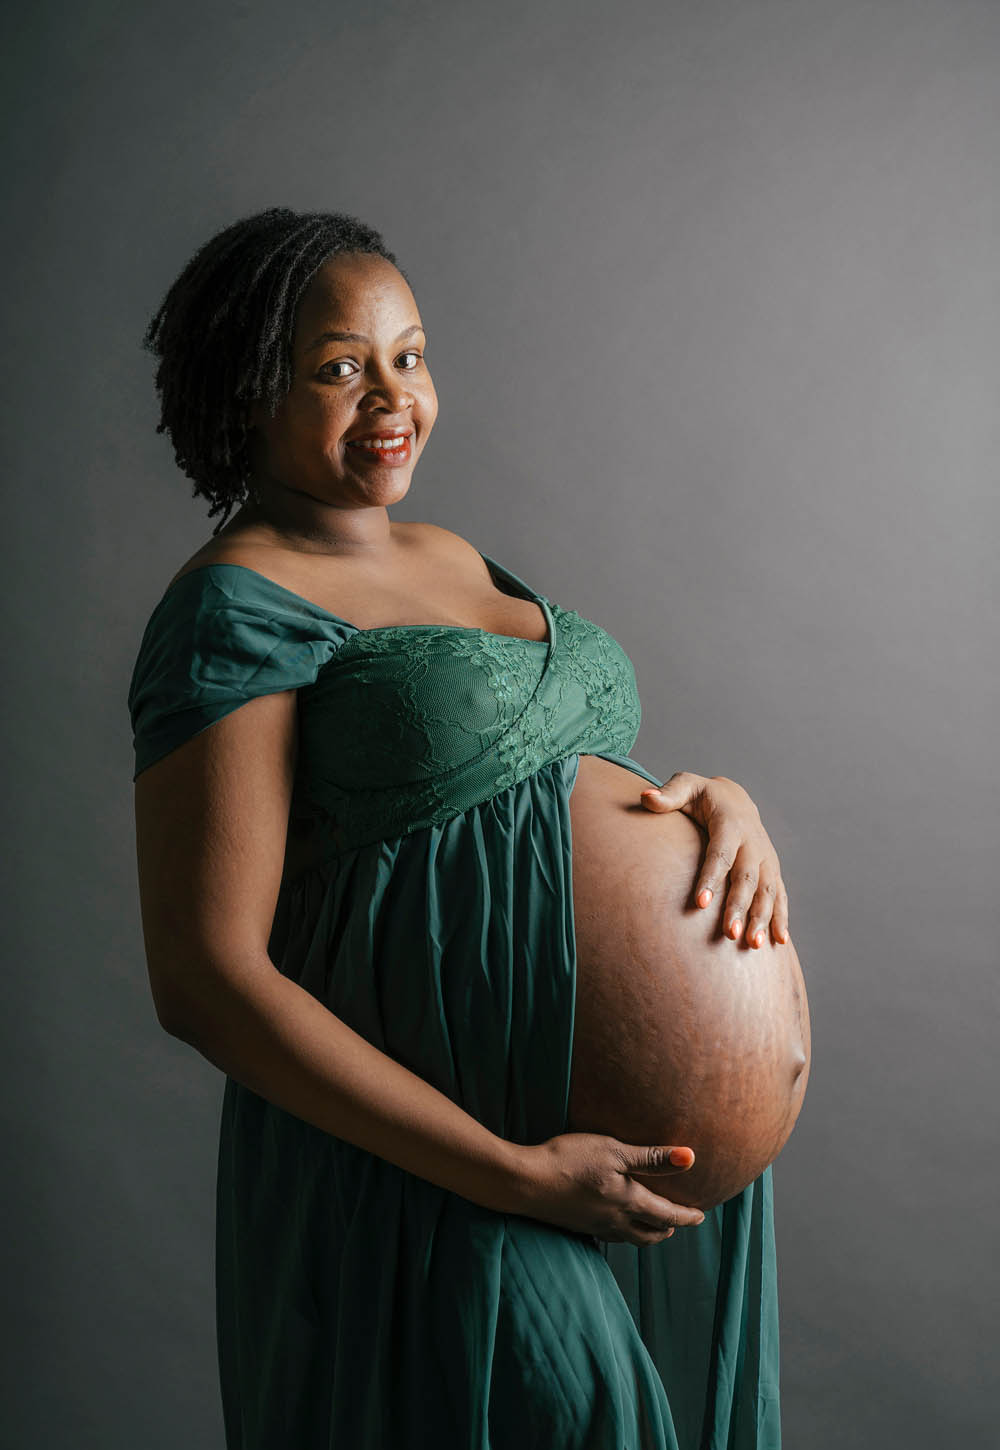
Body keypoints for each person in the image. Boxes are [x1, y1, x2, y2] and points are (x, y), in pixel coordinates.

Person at [129, 207, 790, 1449]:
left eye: (411, 355)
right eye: (338, 367)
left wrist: (721, 804)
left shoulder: (452, 553)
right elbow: (205, 979)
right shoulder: (233, 607)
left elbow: (542, 775)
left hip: (596, 1144)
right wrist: (510, 1171)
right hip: (440, 1162)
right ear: (244, 390)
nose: (392, 397)